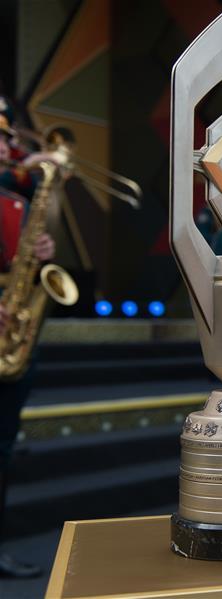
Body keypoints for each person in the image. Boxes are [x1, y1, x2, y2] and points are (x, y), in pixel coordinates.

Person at [0, 110, 58, 578]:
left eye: (6, 140)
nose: (6, 149)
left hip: (11, 331)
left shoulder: (14, 202)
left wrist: (40, 253)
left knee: (2, 446)